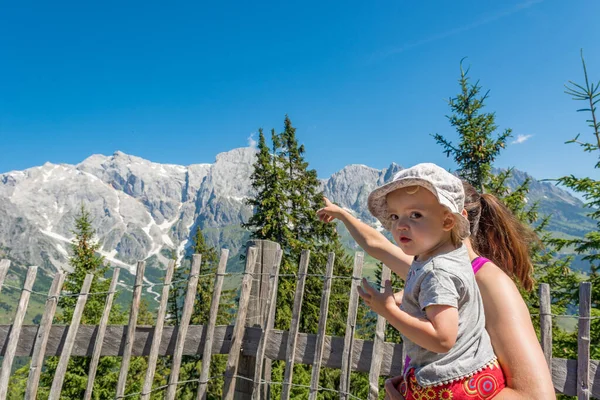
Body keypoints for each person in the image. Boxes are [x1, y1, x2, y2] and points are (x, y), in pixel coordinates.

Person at [317, 170, 556, 399]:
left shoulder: (489, 282)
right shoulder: (427, 264)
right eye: (396, 216)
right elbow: (377, 245)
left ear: (450, 219)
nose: (402, 225)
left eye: (417, 214)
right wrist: (342, 214)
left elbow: (536, 396)